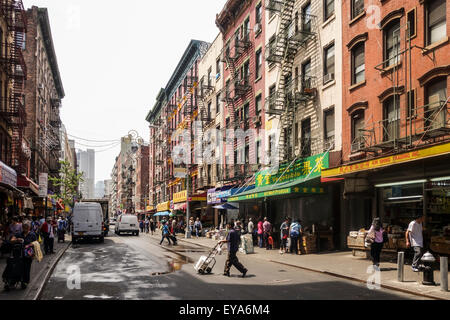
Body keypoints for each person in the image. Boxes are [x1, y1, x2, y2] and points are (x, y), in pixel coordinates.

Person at [17, 223, 37, 289]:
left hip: (28, 254)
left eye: (26, 227)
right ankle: (20, 280)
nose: (25, 229)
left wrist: (29, 245)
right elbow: (12, 239)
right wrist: (17, 240)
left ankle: (25, 281)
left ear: (29, 228)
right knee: (21, 267)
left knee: (27, 268)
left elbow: (36, 243)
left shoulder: (32, 234)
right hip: (20, 254)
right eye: (24, 227)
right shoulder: (20, 234)